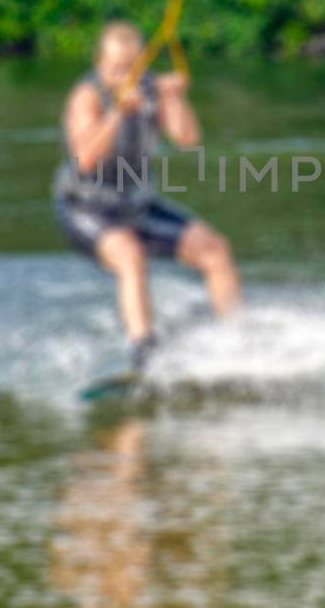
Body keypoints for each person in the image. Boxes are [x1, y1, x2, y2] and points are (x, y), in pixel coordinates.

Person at [54, 21, 240, 368]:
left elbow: (187, 139)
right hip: (86, 209)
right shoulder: (87, 97)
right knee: (131, 256)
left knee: (215, 250)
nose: (126, 77)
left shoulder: (152, 89)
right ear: (99, 64)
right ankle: (144, 352)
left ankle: (234, 341)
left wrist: (175, 98)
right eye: (116, 69)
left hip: (136, 205)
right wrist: (117, 114)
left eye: (133, 68)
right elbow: (85, 160)